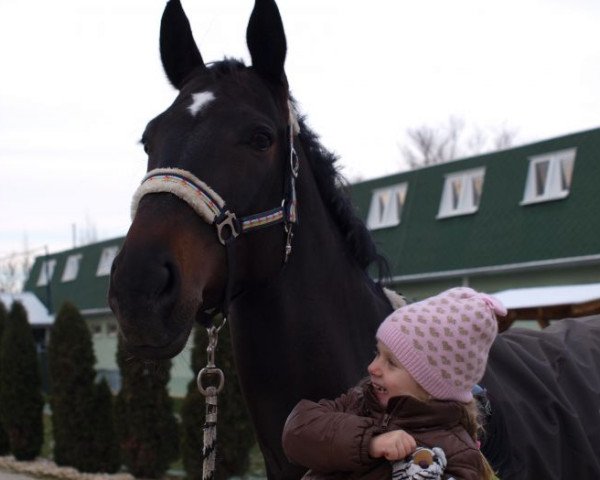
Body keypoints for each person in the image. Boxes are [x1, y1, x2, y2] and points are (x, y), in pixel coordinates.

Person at [282, 287, 506, 480]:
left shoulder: (458, 456)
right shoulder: (358, 401)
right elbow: (297, 431)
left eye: (391, 362)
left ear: (429, 386)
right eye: (377, 353)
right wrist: (369, 442)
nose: (372, 367)